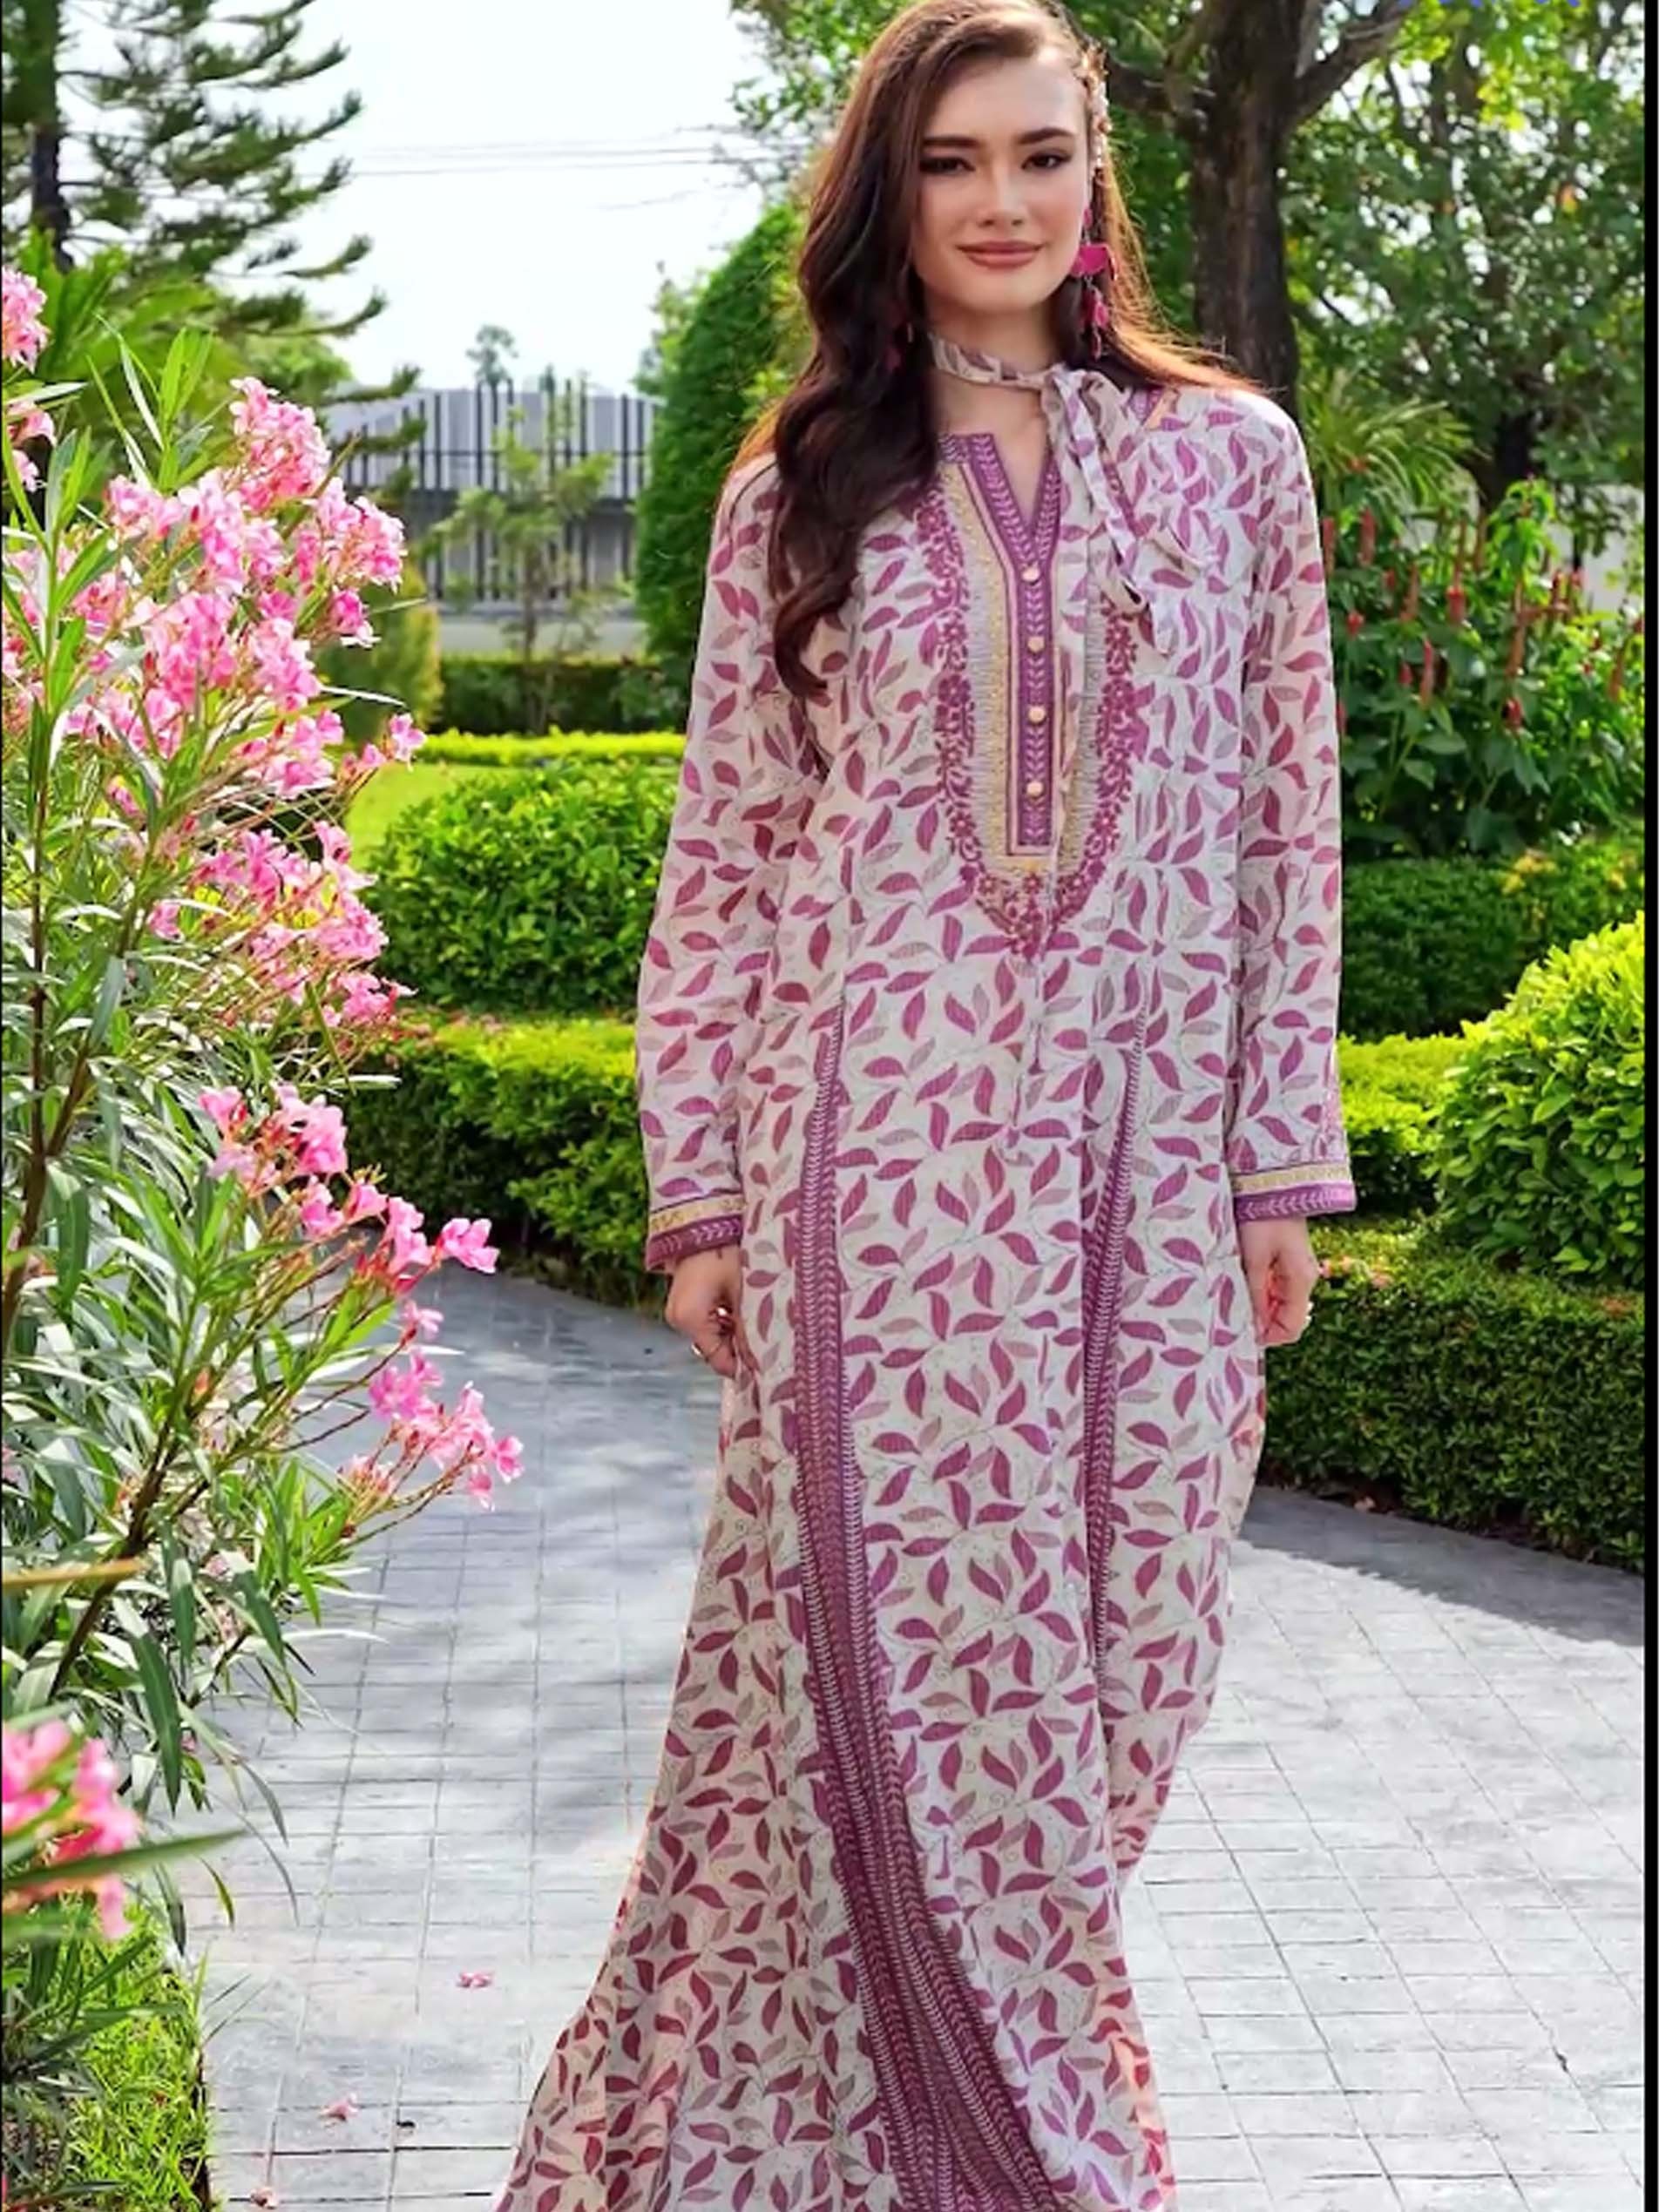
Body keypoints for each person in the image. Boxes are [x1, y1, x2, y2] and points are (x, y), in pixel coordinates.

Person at [498, 0, 1354, 2205]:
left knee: (1131, 1648)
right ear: (891, 194)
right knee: (919, 1676)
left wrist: (1278, 1156)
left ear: (1095, 177)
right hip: (876, 1171)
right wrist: (702, 1198)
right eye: (955, 161)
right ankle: (1006, 2156)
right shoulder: (799, 494)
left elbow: (1287, 827)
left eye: (1040, 155)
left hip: (1151, 1175)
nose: (1002, 202)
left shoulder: (1231, 463)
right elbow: (729, 863)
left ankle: (878, 2117)